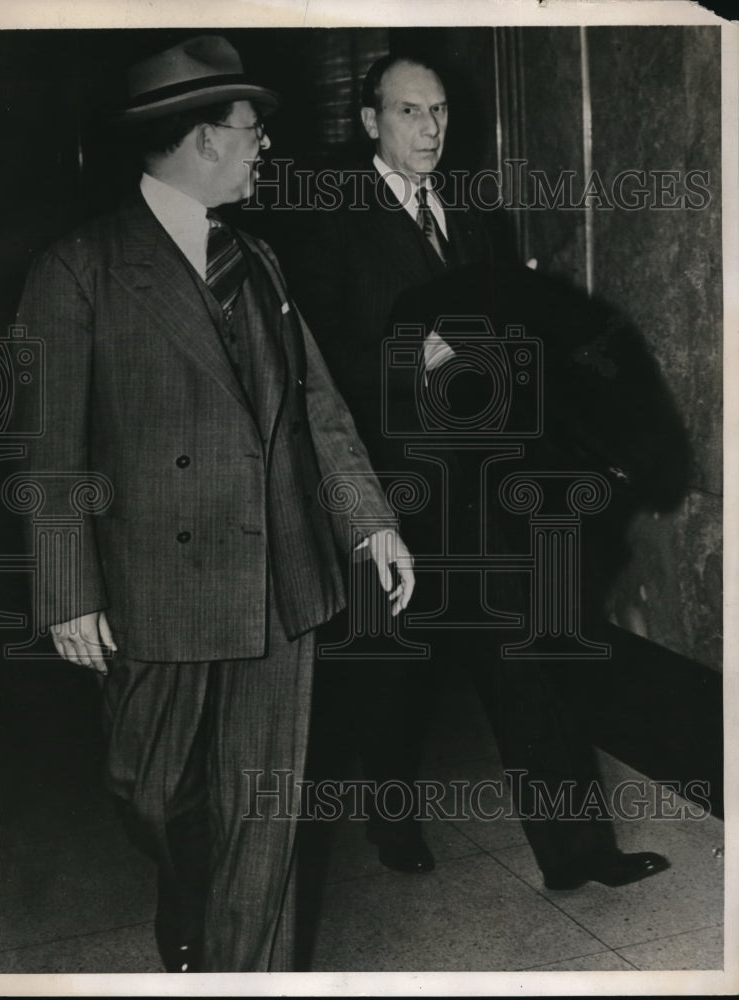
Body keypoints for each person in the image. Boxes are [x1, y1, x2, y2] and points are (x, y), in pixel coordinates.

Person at [13, 34, 414, 973]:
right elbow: (52, 447)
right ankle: (187, 876)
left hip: (283, 578)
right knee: (149, 789)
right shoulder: (81, 268)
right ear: (199, 142)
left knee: (265, 813)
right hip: (159, 583)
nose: (262, 149)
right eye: (248, 132)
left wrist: (373, 523)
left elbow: (317, 407)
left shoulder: (259, 262)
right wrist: (68, 589)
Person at [279, 53, 677, 890]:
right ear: (368, 121)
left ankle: (578, 855)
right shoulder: (327, 223)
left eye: (440, 112)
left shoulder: (474, 210)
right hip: (394, 492)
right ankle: (389, 822)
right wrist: (409, 356)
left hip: (489, 488)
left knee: (526, 660)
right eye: (410, 112)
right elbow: (315, 364)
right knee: (393, 672)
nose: (430, 129)